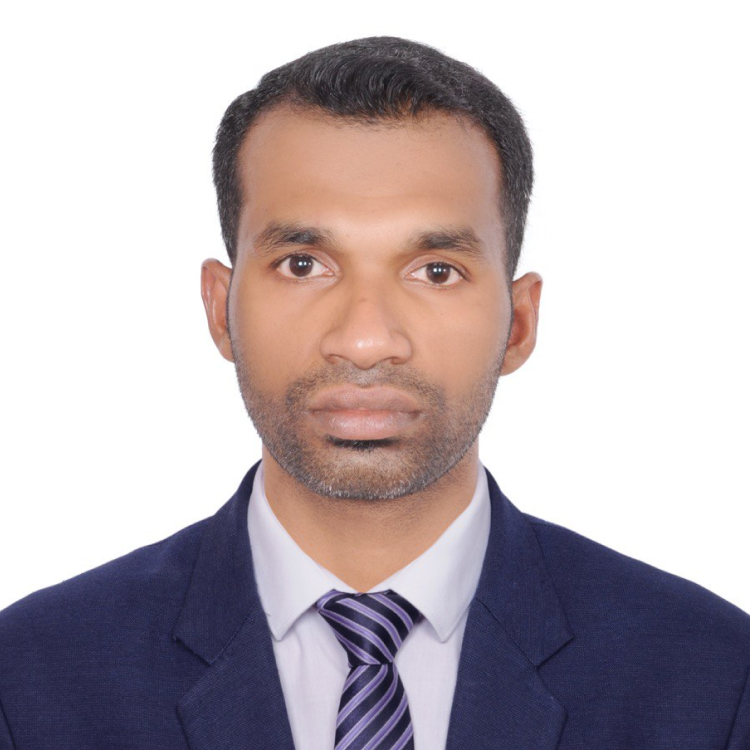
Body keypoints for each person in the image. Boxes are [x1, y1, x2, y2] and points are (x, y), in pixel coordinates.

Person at [0, 35, 748, 750]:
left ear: (518, 323)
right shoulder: (29, 679)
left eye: (436, 271)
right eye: (302, 264)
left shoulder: (714, 679)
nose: (365, 341)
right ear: (219, 310)